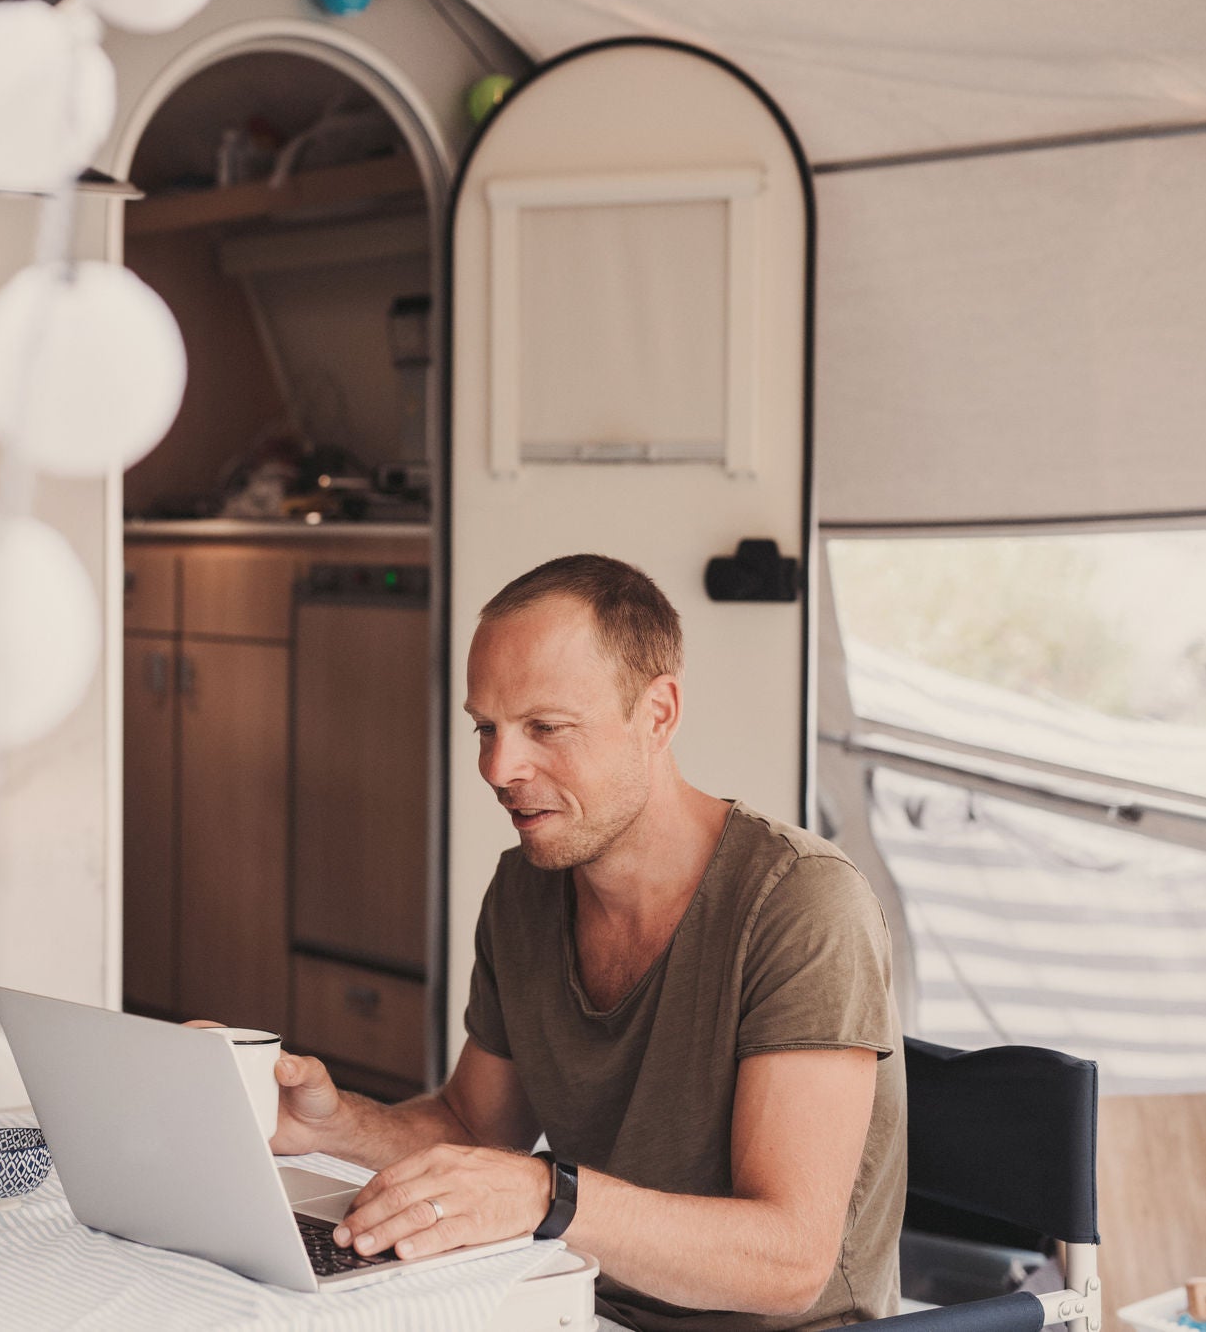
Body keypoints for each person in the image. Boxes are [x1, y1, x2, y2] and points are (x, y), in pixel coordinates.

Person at [270, 554, 905, 1330]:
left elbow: (789, 1260)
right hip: (578, 1306)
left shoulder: (802, 903)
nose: (500, 768)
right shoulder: (526, 890)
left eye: (546, 727)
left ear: (659, 713)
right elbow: (473, 1129)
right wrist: (326, 1126)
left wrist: (547, 1194)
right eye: (487, 728)